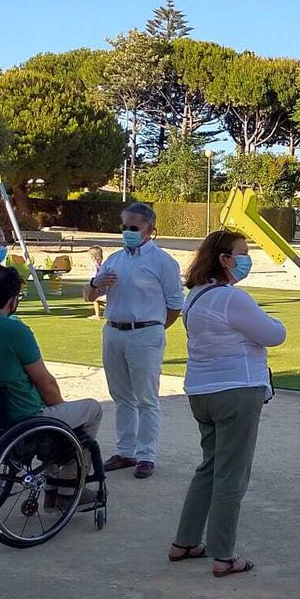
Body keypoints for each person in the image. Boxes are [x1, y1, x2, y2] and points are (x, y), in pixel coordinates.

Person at [168, 230, 287, 577]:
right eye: (242, 253)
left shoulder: (196, 297)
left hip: (202, 390)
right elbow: (273, 334)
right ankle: (224, 553)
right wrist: (273, 322)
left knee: (210, 466)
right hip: (237, 389)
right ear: (225, 259)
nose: (246, 258)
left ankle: (186, 540)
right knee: (232, 473)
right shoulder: (231, 298)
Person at [0, 264, 103, 471]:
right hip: (19, 418)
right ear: (12, 300)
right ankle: (66, 484)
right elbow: (47, 384)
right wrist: (60, 414)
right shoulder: (14, 330)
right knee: (93, 409)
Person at [84, 203, 184, 479]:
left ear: (150, 230)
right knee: (121, 396)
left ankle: (146, 455)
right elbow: (88, 297)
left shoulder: (163, 262)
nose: (127, 232)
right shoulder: (114, 259)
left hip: (145, 331)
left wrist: (154, 329)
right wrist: (95, 284)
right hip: (114, 329)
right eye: (124, 227)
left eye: (133, 227)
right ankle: (126, 451)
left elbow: (175, 303)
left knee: (146, 397)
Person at [87, 245, 106, 320]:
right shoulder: (102, 264)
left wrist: (94, 285)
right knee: (98, 299)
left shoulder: (94, 265)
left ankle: (97, 315)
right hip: (102, 284)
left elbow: (95, 274)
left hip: (98, 284)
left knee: (95, 298)